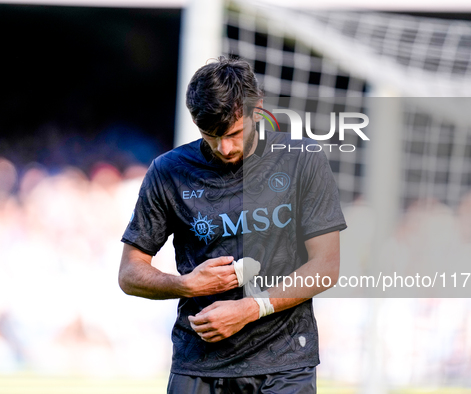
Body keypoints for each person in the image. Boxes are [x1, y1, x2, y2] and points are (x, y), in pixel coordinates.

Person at [118, 56, 346, 393]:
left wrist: (250, 308)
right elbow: (129, 273)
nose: (224, 147)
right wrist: (187, 285)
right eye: (211, 135)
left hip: (284, 364)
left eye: (234, 133)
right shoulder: (168, 171)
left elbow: (326, 266)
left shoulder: (303, 160)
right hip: (199, 362)